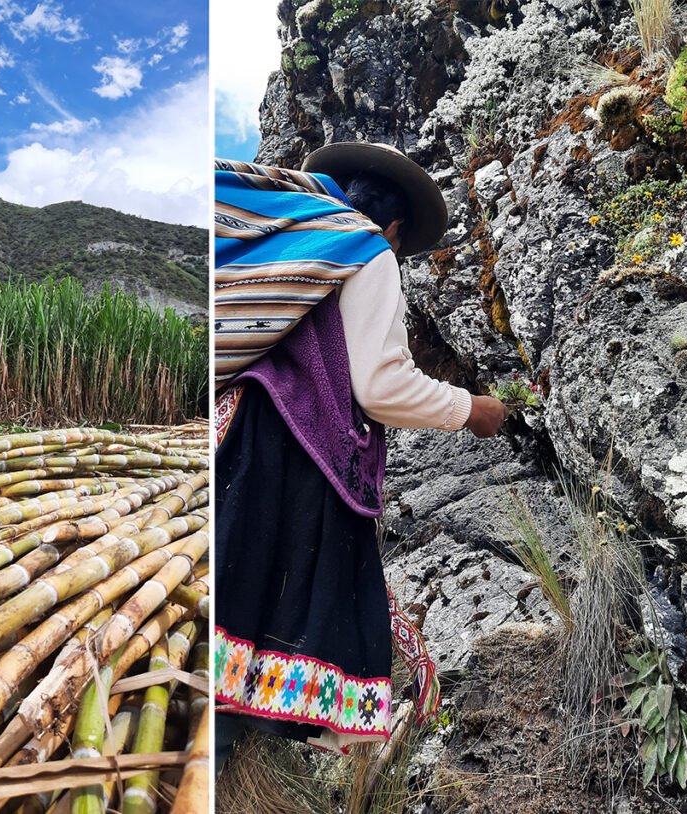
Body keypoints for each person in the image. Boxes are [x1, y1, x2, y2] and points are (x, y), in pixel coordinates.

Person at [213, 142, 508, 768]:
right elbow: (379, 385)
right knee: (248, 635)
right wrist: (470, 410)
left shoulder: (286, 239)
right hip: (288, 454)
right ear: (395, 227)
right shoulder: (366, 247)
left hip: (232, 431)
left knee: (218, 623)